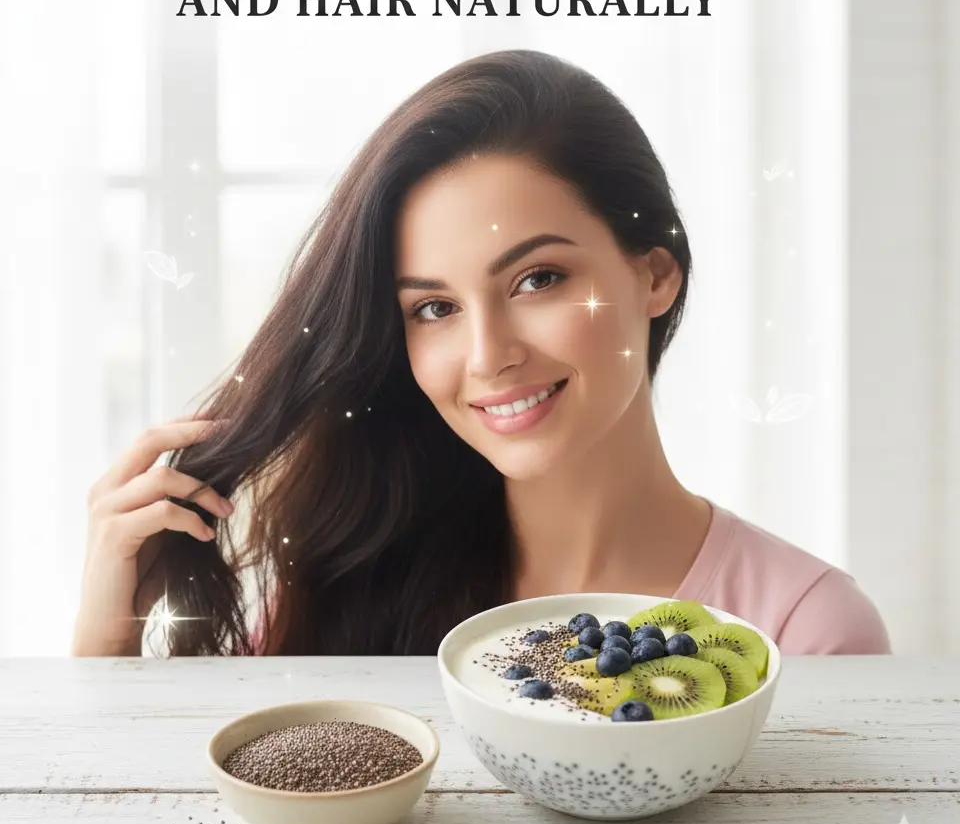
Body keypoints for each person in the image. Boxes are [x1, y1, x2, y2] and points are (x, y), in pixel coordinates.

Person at [74, 49, 891, 659]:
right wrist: (108, 623)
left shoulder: (805, 630)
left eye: (538, 279)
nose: (487, 355)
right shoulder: (346, 597)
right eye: (434, 308)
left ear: (654, 273)